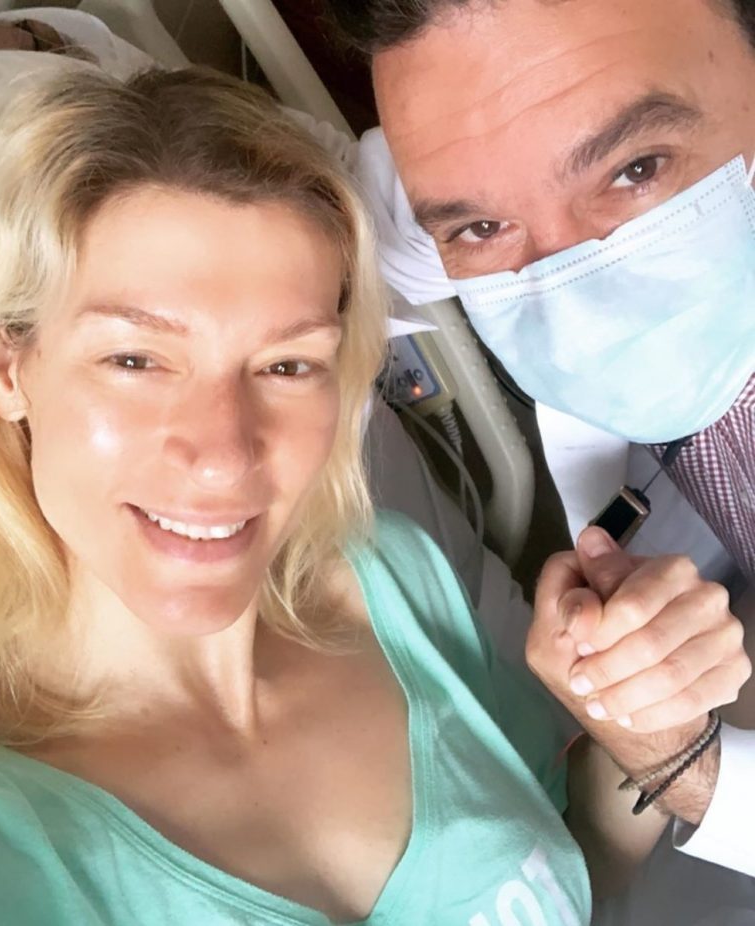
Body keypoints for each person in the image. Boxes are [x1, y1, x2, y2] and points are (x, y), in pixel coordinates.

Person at [0, 61, 749, 923]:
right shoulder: (21, 841)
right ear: (11, 369)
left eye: (287, 366)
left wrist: (642, 732)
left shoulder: (392, 578)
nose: (224, 457)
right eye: (135, 360)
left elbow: (574, 864)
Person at [324, 0, 755, 880]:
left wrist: (684, 765)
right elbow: (338, 226)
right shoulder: (479, 145)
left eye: (637, 169)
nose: (582, 313)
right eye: (483, 228)